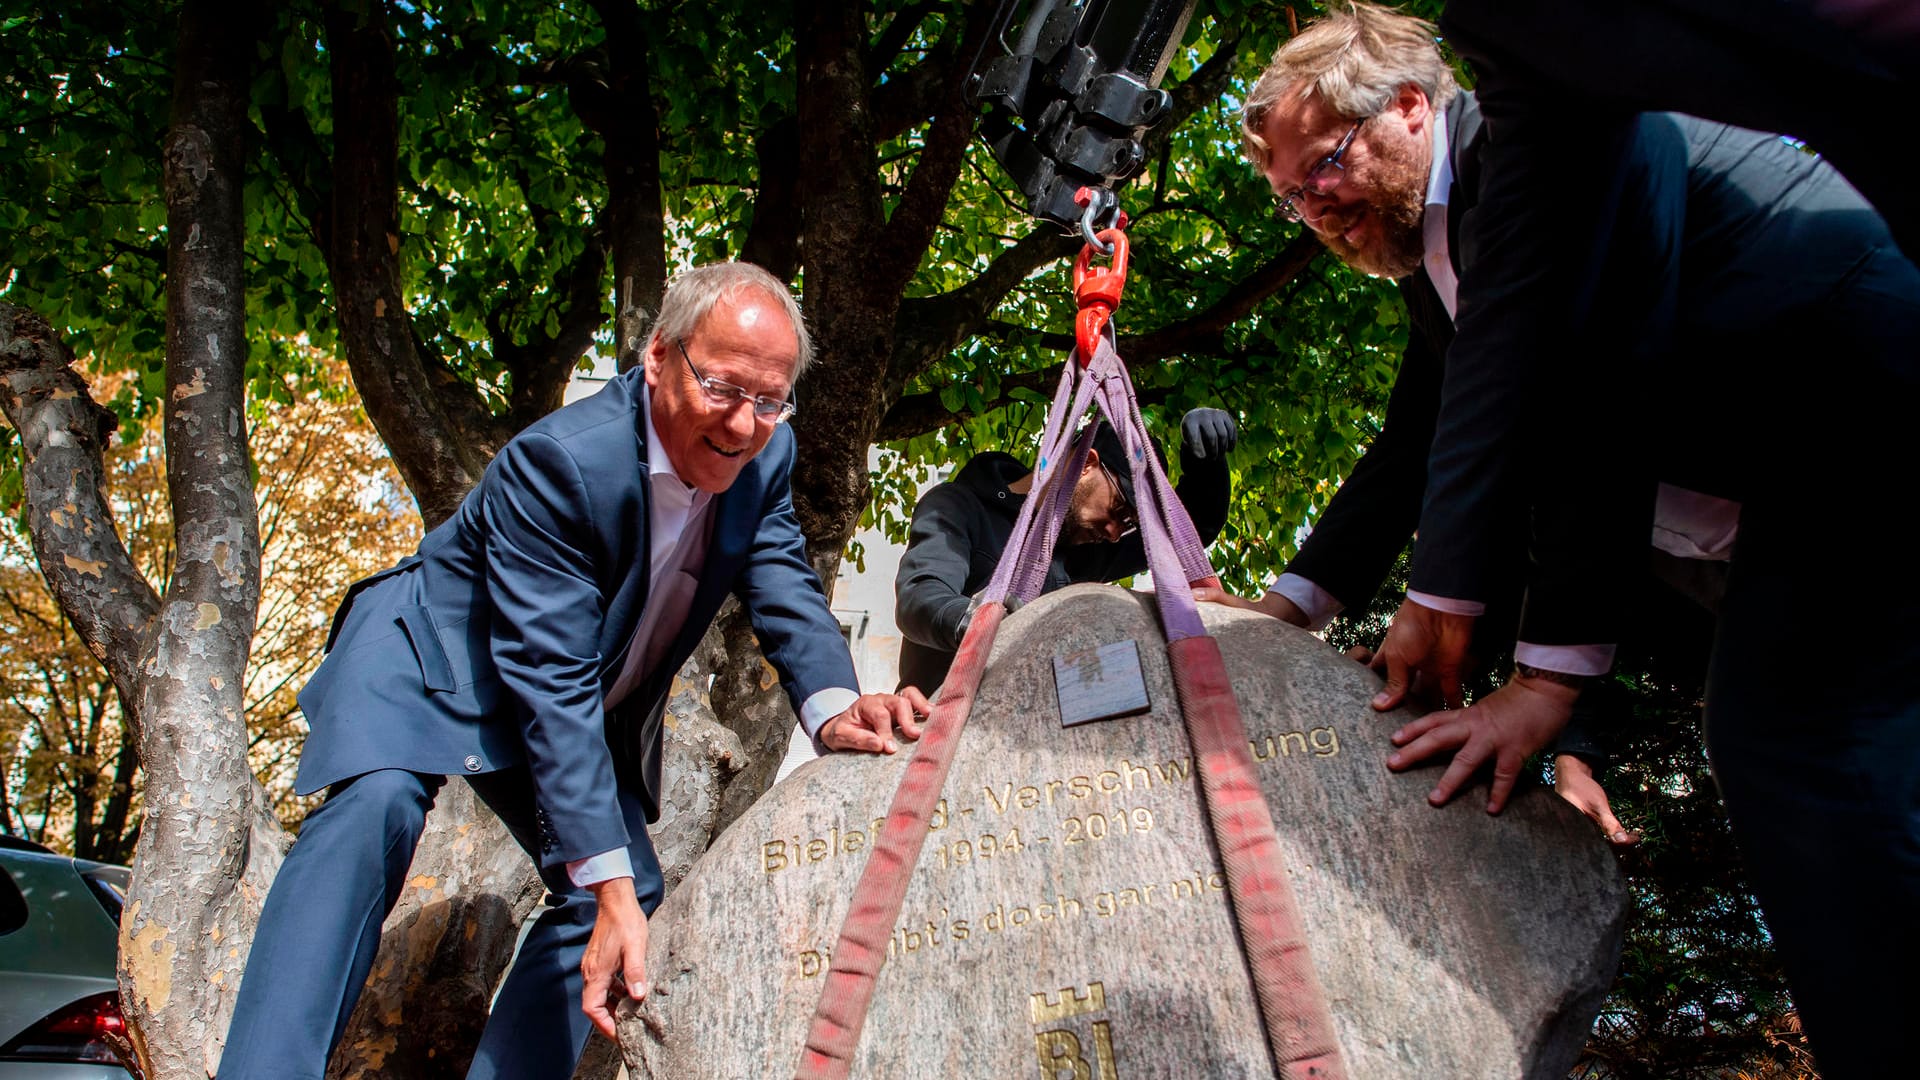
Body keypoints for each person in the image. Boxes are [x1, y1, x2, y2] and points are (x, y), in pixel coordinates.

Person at [1231, 5, 1919, 1073]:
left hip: (1858, 401)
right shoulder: (1443, 270)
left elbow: (1592, 396)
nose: (1312, 207)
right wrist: (1284, 612)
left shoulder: (1529, 158)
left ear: (1414, 108)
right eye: (1288, 196)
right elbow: (1419, 444)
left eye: (1323, 164)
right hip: (1779, 510)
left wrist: (1547, 678)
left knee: (1801, 745)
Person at [218, 263, 931, 1080]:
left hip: (561, 690)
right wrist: (606, 883)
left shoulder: (767, 454)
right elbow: (550, 679)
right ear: (659, 356)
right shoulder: (559, 462)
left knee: (632, 892)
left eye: (771, 400)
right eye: (724, 389)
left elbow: (779, 572)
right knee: (378, 807)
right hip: (431, 659)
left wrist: (836, 705)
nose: (744, 425)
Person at [895, 410, 1236, 695]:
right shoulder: (958, 506)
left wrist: (1206, 459)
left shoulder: (1088, 549)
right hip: (934, 720)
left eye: (1129, 523)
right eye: (1118, 509)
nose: (1116, 533)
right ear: (1087, 463)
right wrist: (976, 622)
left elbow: (1192, 529)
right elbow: (920, 597)